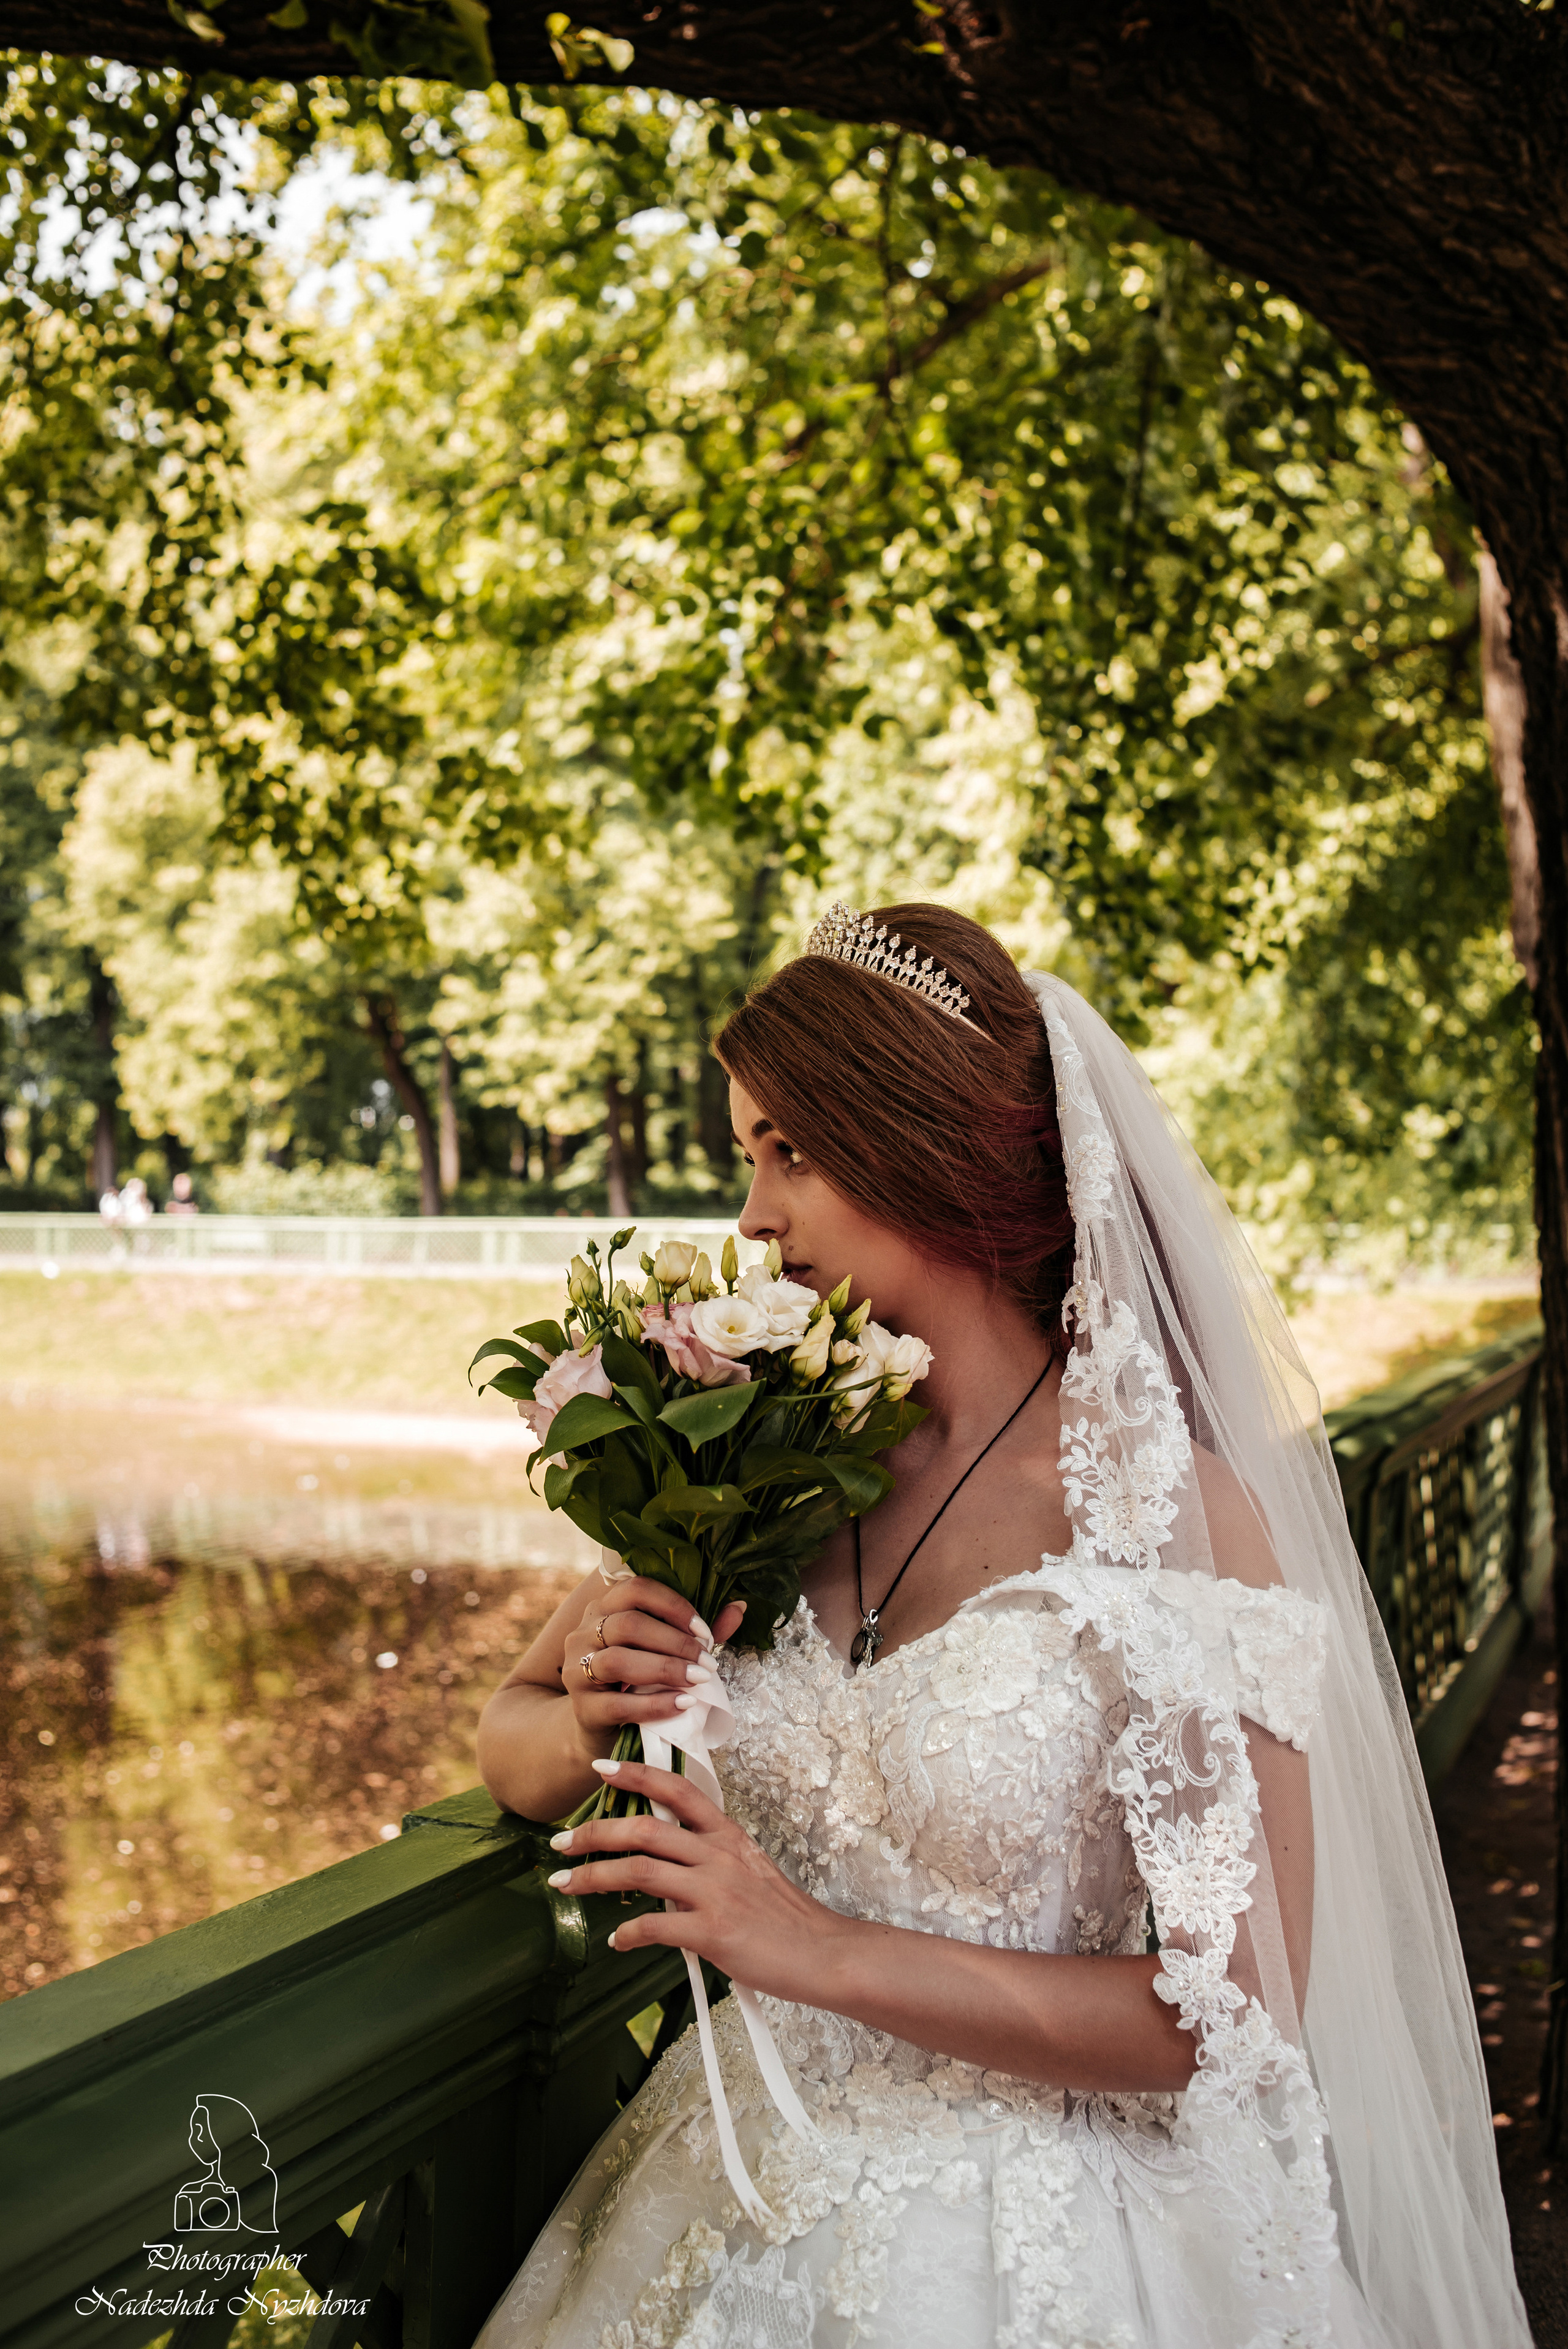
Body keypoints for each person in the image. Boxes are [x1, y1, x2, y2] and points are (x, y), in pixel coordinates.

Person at [473, 904, 1529, 2349]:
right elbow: (508, 1744)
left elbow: (1224, 2013)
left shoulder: (1167, 1513)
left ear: (922, 1142)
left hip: (1059, 2244)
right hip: (735, 2194)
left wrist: (805, 1942)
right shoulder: (752, 1467)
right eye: (746, 1157)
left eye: (791, 1152)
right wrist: (595, 1702)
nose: (750, 1219)